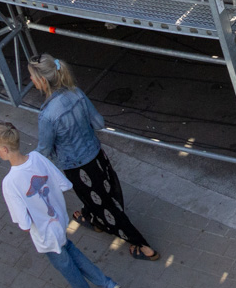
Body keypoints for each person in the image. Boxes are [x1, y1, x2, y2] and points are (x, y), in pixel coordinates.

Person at [30, 56, 157, 261]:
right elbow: (98, 122)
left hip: (76, 167)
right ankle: (92, 218)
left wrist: (27, 164)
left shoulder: (47, 115)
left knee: (105, 205)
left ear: (43, 82)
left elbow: (44, 149)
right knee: (105, 194)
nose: (30, 79)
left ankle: (143, 246)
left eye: (32, 76)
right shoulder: (76, 93)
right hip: (97, 156)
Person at [0, 121, 121, 288]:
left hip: (45, 235)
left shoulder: (9, 183)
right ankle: (109, 285)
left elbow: (24, 224)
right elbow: (63, 184)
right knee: (72, 251)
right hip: (59, 222)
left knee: (69, 269)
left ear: (4, 149)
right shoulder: (37, 158)